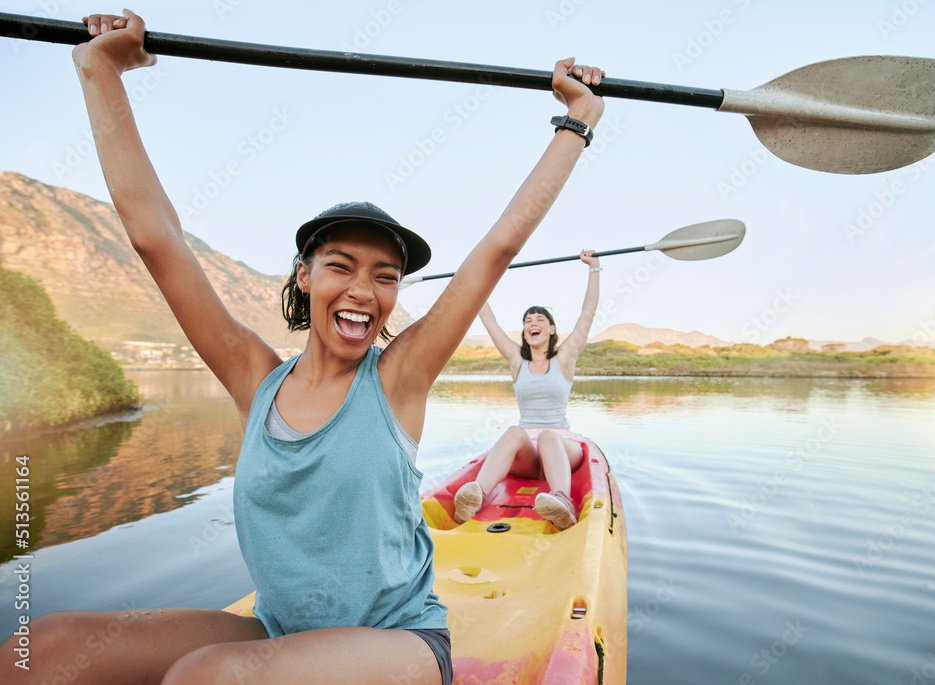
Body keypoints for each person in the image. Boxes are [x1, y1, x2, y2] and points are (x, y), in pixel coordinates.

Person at [0, 10, 605, 685]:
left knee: (209, 676)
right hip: (280, 631)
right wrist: (100, 71)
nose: (363, 290)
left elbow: (497, 248)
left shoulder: (400, 377)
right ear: (304, 275)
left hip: (399, 643)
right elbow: (155, 236)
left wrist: (575, 123)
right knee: (39, 650)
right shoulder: (251, 374)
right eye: (341, 266)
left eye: (385, 276)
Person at [453, 250, 600, 530]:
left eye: (539, 319)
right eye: (527, 321)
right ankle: (476, 496)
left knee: (547, 436)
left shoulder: (565, 358)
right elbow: (490, 321)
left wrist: (594, 269)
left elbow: (587, 314)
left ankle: (562, 502)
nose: (532, 323)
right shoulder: (516, 361)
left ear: (552, 329)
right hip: (528, 457)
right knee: (512, 432)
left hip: (561, 448)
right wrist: (478, 277)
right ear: (523, 332)